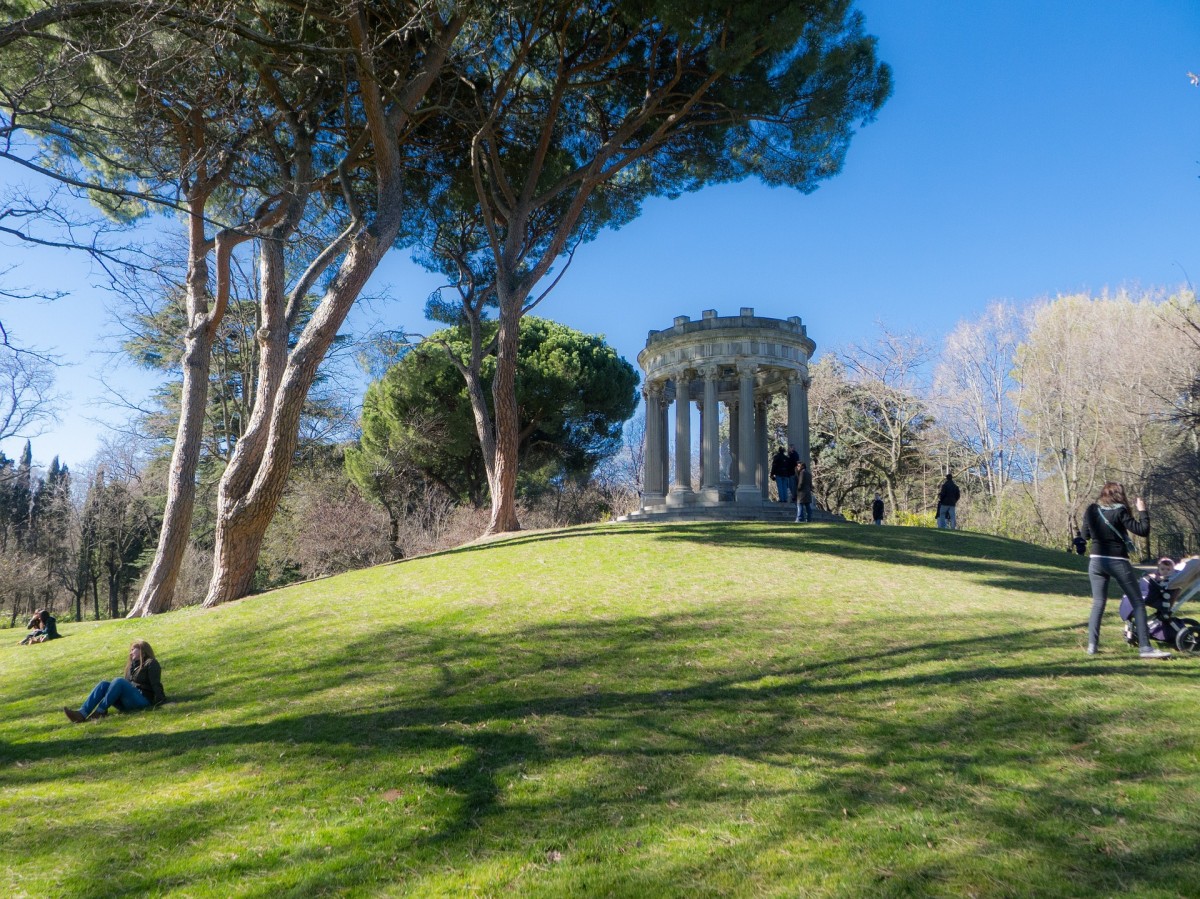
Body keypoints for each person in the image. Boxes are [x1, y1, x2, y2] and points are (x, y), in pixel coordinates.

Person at [1079, 481, 1169, 659]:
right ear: (1120, 495)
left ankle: (1092, 647)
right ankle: (1145, 648)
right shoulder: (1120, 511)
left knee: (1098, 603)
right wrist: (1142, 510)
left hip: (1096, 561)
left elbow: (1085, 535)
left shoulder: (1091, 509)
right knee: (1137, 602)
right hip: (1117, 561)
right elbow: (1143, 530)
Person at [64, 639, 167, 722]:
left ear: (142, 651)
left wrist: (162, 701)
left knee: (119, 681)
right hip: (128, 702)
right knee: (103, 684)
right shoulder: (131, 666)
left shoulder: (151, 663)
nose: (130, 653)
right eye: (130, 650)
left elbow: (155, 683)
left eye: (133, 650)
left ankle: (100, 711)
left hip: (143, 700)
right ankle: (82, 713)